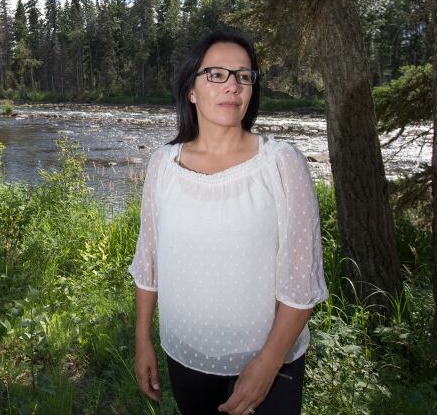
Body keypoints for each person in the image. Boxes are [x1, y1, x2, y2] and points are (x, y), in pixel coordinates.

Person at [128, 29, 328, 415]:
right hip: (184, 357)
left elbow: (301, 285)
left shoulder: (282, 164)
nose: (232, 85)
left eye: (243, 75)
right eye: (216, 74)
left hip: (270, 365)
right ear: (191, 89)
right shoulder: (162, 165)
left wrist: (267, 365)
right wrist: (143, 340)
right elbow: (148, 262)